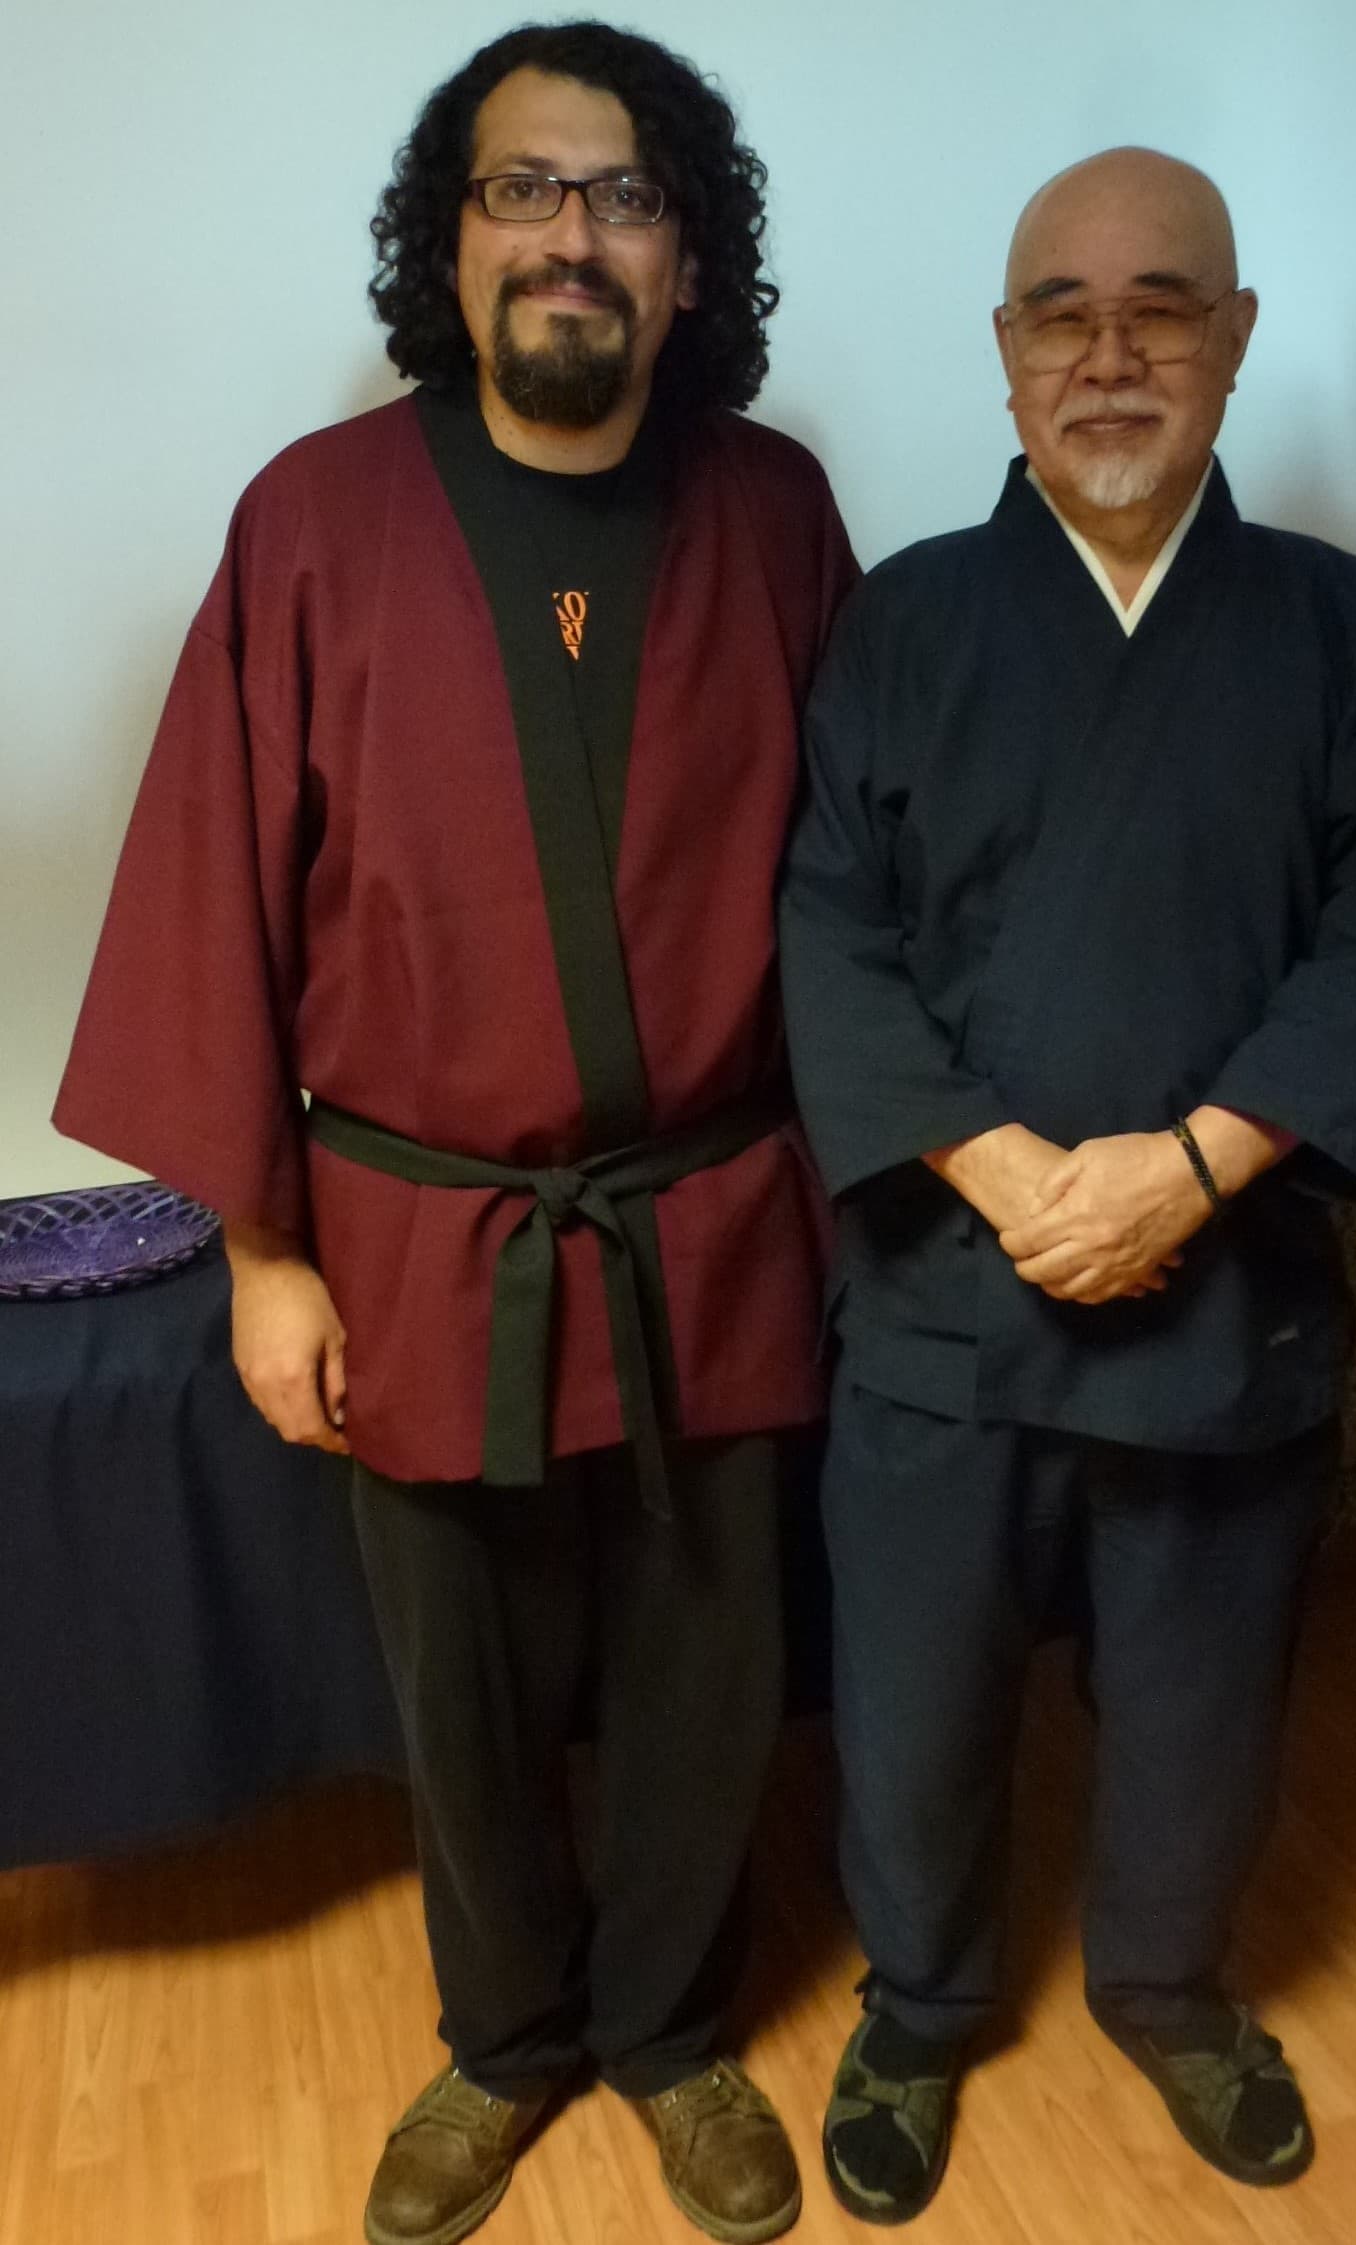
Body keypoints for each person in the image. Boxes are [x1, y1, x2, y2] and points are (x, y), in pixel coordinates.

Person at [55, 23, 856, 2245]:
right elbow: (214, 889)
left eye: (623, 196)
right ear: (452, 239)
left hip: (714, 1213)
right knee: (464, 1672)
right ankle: (505, 2039)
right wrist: (260, 1254)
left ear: (688, 257)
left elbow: (862, 885)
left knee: (711, 1658)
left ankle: (672, 2032)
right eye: (524, 189)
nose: (570, 237)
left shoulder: (777, 514)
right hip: (421, 1230)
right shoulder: (314, 521)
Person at [779, 146, 1356, 2221]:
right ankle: (919, 2003)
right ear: (1003, 353)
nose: (1110, 355)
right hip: (946, 1286)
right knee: (913, 1698)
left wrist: (1188, 1170)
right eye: (1060, 315)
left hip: (1220, 1288)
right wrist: (1009, 1175)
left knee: (1200, 1696)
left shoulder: (1346, 631)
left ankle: (1171, 1983)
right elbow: (829, 931)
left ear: (1233, 336)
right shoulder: (905, 621)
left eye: (1159, 307)